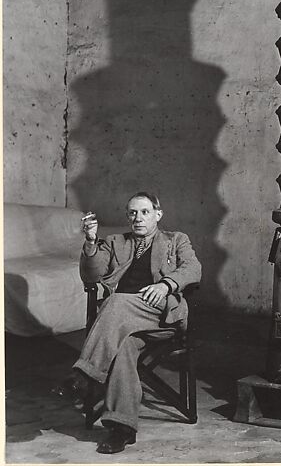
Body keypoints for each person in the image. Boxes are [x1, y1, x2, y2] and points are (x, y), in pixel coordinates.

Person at [58, 191, 201, 454]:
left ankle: (83, 377)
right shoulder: (115, 242)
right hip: (122, 323)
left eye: (145, 212)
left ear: (158, 215)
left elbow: (193, 269)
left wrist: (166, 285)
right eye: (132, 213)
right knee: (123, 347)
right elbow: (91, 276)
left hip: (161, 317)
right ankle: (122, 429)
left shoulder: (176, 240)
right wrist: (90, 242)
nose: (138, 218)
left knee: (116, 302)